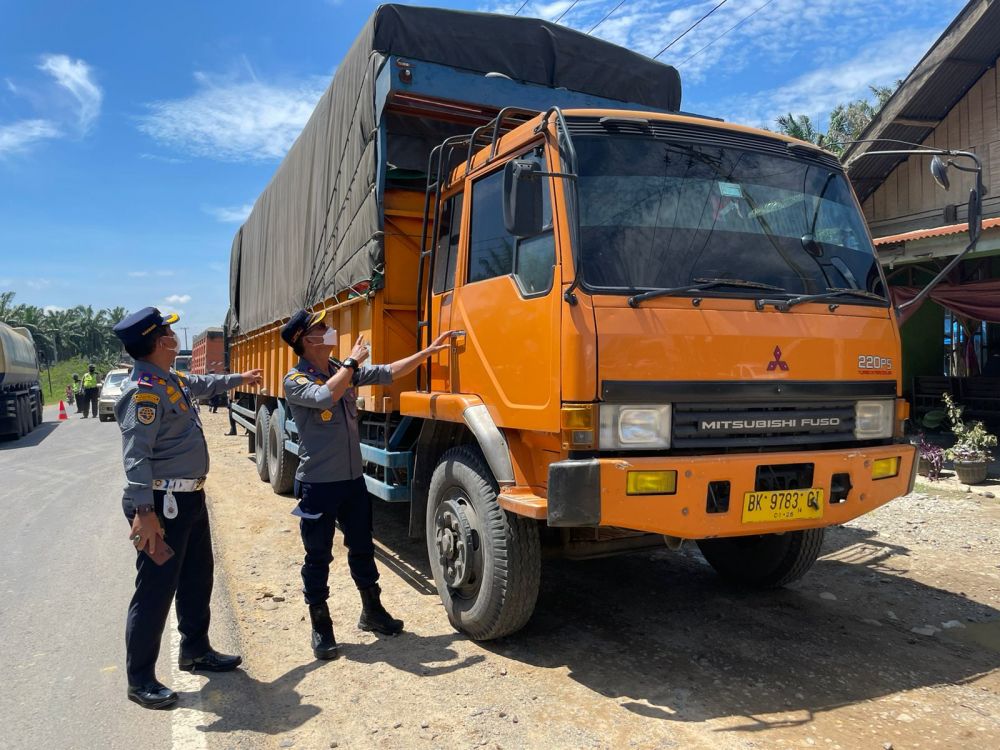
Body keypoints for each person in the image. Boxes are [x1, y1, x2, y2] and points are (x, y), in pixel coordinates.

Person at [112, 307, 263, 709]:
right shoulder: (143, 391)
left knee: (198, 578)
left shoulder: (170, 379)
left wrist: (241, 379)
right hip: (161, 504)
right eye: (168, 331)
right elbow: (136, 458)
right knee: (156, 591)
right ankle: (140, 679)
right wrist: (145, 511)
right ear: (161, 342)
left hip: (189, 497)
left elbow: (204, 383)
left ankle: (195, 650)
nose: (173, 335)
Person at [280, 308, 451, 660]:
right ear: (305, 339)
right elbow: (323, 397)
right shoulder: (296, 379)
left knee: (362, 548)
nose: (329, 331)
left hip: (352, 482)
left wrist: (427, 353)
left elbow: (387, 372)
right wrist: (352, 363)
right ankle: (321, 625)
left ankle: (372, 612)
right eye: (321, 329)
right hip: (319, 485)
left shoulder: (338, 371)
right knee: (318, 556)